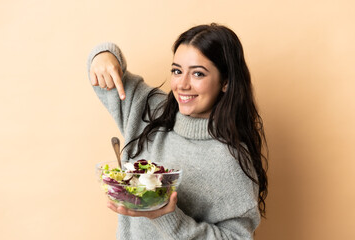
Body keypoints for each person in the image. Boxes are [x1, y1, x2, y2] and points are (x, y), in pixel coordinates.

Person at [87, 23, 268, 240]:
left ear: (225, 82)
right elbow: (104, 77)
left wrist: (165, 215)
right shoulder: (150, 110)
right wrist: (104, 55)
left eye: (198, 74)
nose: (182, 84)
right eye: (177, 71)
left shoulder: (231, 160)